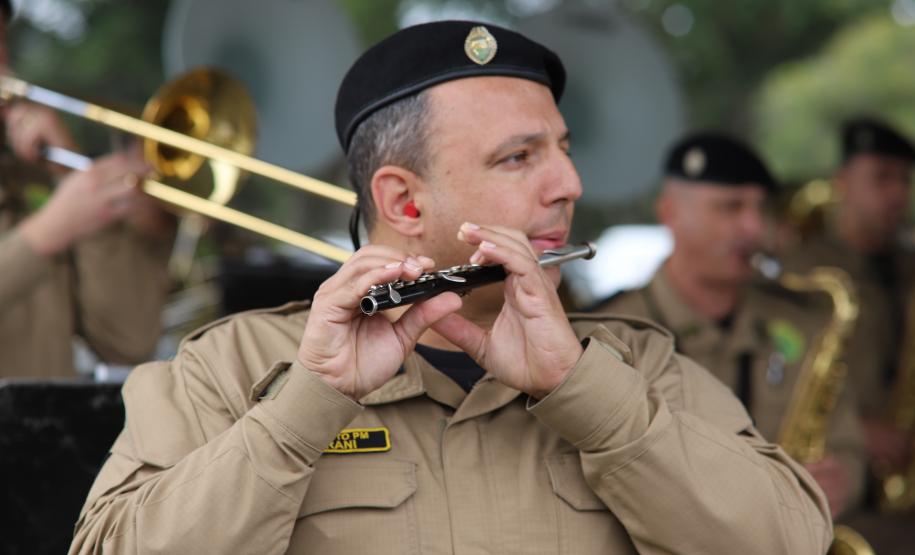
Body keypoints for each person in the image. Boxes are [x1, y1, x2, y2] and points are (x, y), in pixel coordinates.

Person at [70, 21, 832, 553]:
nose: (568, 182)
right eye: (517, 158)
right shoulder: (228, 368)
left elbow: (790, 541)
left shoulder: (638, 369)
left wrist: (587, 394)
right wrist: (301, 408)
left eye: (561, 149)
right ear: (403, 202)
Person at [591, 132, 866, 519]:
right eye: (730, 208)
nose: (754, 228)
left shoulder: (803, 321)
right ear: (670, 213)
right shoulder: (610, 331)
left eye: (761, 209)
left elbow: (847, 445)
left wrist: (843, 480)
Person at [0, 0, 174, 377]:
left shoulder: (18, 179)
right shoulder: (43, 219)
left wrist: (72, 176)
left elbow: (130, 341)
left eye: (2, 43)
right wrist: (46, 233)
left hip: (40, 432)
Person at [780, 117, 915, 475]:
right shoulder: (802, 271)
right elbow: (777, 370)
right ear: (842, 183)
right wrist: (855, 428)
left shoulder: (906, 265)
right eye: (881, 177)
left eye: (905, 179)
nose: (898, 194)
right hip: (834, 463)